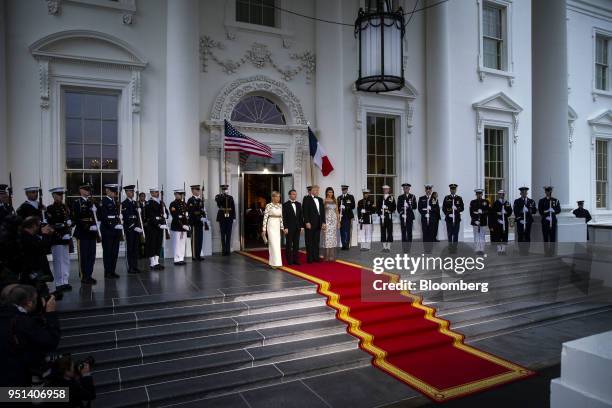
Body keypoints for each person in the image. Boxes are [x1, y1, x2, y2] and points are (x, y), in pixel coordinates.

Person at [0, 284, 60, 386]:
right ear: (29, 303)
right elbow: (51, 341)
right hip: (14, 385)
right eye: (35, 300)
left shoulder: (7, 315)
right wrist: (51, 314)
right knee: (62, 395)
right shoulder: (23, 322)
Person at [71, 183, 98, 285]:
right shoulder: (77, 203)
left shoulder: (92, 202)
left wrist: (96, 224)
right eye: (86, 189)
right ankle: (83, 276)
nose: (88, 191)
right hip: (82, 233)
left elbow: (95, 216)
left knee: (91, 255)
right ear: (81, 190)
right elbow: (76, 218)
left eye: (89, 190)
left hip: (92, 233)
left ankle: (89, 275)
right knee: (84, 256)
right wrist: (87, 226)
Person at [46, 188, 72, 291]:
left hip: (66, 237)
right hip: (57, 237)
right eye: (58, 194)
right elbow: (51, 223)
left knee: (65, 260)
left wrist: (70, 223)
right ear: (53, 196)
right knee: (58, 261)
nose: (61, 196)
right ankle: (59, 283)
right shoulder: (50, 208)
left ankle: (65, 281)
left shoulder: (65, 207)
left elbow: (70, 220)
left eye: (62, 194)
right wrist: (64, 226)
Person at [98, 184, 122, 279]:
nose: (114, 193)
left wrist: (119, 219)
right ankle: (107, 272)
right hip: (107, 231)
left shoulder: (114, 201)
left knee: (114, 252)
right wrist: (114, 225)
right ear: (107, 191)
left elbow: (115, 215)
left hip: (116, 231)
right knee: (108, 252)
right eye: (112, 191)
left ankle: (112, 271)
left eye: (115, 191)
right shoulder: (103, 201)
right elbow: (104, 217)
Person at [144, 188, 168, 270]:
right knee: (152, 244)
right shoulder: (149, 203)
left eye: (158, 192)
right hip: (153, 227)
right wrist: (158, 224)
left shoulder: (161, 202)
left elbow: (166, 212)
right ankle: (152, 262)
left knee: (158, 244)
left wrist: (166, 215)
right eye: (155, 192)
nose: (157, 193)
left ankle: (157, 262)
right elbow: (151, 216)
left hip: (160, 227)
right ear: (151, 193)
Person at [121, 185, 144, 274]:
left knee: (135, 249)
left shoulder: (135, 203)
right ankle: (130, 267)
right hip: (130, 229)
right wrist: (134, 227)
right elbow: (126, 218)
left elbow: (138, 217)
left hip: (136, 229)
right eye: (130, 192)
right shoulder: (124, 203)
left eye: (133, 192)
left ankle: (135, 266)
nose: (132, 193)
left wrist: (139, 209)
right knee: (130, 249)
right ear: (126, 193)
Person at [302, 185, 325, 263]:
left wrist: (323, 222)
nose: (317, 192)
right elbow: (305, 211)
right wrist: (307, 222)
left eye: (318, 190)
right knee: (309, 241)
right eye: (316, 190)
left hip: (318, 223)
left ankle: (316, 257)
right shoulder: (306, 199)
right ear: (311, 191)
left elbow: (322, 212)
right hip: (310, 224)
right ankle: (310, 258)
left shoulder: (320, 199)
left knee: (316, 241)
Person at [262, 191, 284, 267]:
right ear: (272, 197)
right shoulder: (269, 205)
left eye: (279, 197)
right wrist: (264, 229)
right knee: (273, 244)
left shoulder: (280, 205)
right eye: (277, 196)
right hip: (271, 225)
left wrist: (282, 227)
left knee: (277, 244)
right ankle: (273, 263)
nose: (278, 198)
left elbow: (281, 217)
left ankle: (278, 263)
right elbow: (265, 217)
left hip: (277, 225)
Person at [538, 186, 562, 255]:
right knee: (545, 237)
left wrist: (553, 210)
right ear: (545, 192)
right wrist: (547, 211)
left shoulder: (555, 200)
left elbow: (559, 210)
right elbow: (540, 211)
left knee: (552, 237)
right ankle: (546, 252)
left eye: (549, 191)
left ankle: (551, 252)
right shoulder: (542, 201)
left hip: (553, 221)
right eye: (546, 191)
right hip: (545, 221)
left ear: (551, 192)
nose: (548, 192)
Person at [187, 185, 208, 261]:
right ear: (192, 191)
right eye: (197, 190)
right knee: (195, 240)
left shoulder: (200, 200)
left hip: (200, 223)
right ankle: (194, 256)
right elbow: (191, 212)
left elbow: (202, 211)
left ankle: (198, 255)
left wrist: (204, 217)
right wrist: (199, 218)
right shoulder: (191, 200)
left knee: (200, 239)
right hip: (194, 223)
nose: (198, 191)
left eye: (199, 190)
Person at [282, 189, 303, 265]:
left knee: (296, 245)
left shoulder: (299, 204)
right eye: (293, 194)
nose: (295, 195)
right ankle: (289, 260)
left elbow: (301, 216)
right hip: (289, 228)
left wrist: (302, 227)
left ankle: (296, 260)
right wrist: (285, 227)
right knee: (289, 244)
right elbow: (284, 217)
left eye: (295, 194)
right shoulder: (285, 205)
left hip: (297, 227)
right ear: (289, 195)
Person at [169, 189, 189, 265]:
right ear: (175, 195)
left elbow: (186, 215)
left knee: (182, 243)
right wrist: (182, 225)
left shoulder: (184, 204)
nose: (179, 196)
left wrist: (187, 225)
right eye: (177, 194)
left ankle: (181, 258)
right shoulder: (173, 204)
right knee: (177, 243)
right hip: (177, 226)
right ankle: (176, 259)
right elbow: (175, 216)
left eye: (180, 194)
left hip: (184, 227)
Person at [490, 189, 512, 254]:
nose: (501, 195)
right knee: (498, 235)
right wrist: (498, 213)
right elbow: (492, 213)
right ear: (498, 195)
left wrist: (506, 212)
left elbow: (510, 212)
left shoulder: (507, 203)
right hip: (498, 222)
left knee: (504, 235)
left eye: (503, 194)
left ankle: (503, 249)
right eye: (500, 194)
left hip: (505, 222)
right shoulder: (495, 203)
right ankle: (499, 249)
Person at [443, 184, 464, 250]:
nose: (453, 190)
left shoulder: (459, 198)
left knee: (455, 234)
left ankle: (454, 247)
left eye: (454, 189)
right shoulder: (446, 198)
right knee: (449, 234)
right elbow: (444, 208)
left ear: (456, 190)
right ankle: (450, 246)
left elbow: (462, 208)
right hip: (449, 219)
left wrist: (457, 209)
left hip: (457, 219)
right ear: (450, 190)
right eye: (452, 189)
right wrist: (448, 214)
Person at [215, 185, 235, 256]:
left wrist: (234, 217)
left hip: (229, 217)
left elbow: (233, 207)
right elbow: (218, 203)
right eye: (223, 189)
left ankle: (228, 250)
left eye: (226, 189)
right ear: (221, 190)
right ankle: (223, 250)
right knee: (223, 234)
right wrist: (223, 195)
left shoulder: (230, 197)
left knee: (229, 234)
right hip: (222, 217)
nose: (225, 190)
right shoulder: (218, 196)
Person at [397, 183, 416, 251]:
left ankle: (409, 248)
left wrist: (409, 206)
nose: (405, 189)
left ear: (409, 189)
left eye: (407, 188)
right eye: (404, 188)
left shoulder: (412, 196)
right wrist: (401, 213)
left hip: (410, 217)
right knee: (404, 232)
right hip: (403, 217)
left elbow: (415, 206)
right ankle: (404, 248)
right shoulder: (400, 197)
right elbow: (398, 208)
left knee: (409, 232)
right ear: (403, 189)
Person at [377, 185, 396, 253]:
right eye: (384, 189)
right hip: (382, 217)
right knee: (383, 231)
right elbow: (378, 207)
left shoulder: (391, 198)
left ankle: (389, 247)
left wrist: (388, 208)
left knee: (390, 231)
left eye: (386, 189)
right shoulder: (380, 198)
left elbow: (394, 207)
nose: (385, 190)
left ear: (389, 190)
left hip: (389, 217)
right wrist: (380, 214)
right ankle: (384, 247)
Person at [470, 189, 489, 254]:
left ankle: (482, 249)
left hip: (483, 221)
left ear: (482, 194)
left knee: (482, 236)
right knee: (476, 236)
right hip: (475, 222)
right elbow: (471, 212)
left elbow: (488, 211)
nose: (479, 195)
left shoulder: (486, 201)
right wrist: (475, 221)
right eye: (478, 194)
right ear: (476, 194)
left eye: (480, 194)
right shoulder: (473, 202)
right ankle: (477, 249)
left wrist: (483, 212)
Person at [323, 187, 340, 261]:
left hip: (334, 221)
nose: (331, 193)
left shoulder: (335, 200)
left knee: (333, 238)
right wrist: (323, 222)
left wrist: (338, 222)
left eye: (332, 192)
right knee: (327, 238)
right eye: (329, 192)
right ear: (326, 192)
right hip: (327, 220)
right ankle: (326, 256)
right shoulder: (324, 200)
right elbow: (322, 212)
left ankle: (332, 256)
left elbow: (337, 212)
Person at [337, 185, 355, 250]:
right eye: (342, 189)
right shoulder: (339, 197)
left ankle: (347, 245)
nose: (344, 191)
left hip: (347, 216)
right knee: (342, 231)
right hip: (341, 216)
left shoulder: (350, 197)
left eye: (345, 189)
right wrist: (339, 208)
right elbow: (337, 207)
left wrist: (346, 207)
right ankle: (343, 245)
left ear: (347, 190)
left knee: (347, 231)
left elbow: (353, 206)